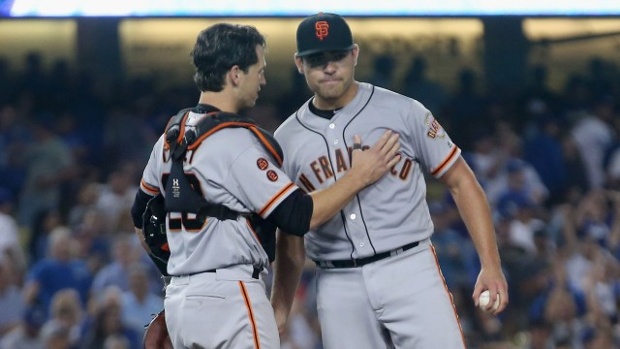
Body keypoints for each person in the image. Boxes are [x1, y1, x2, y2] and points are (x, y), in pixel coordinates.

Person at [129, 23, 401, 349]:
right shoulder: (234, 142)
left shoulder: (170, 137)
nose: (263, 80)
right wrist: (360, 176)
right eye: (259, 69)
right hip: (231, 297)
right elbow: (297, 215)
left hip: (180, 301)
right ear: (235, 74)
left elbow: (141, 219)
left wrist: (185, 278)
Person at [270, 12, 509, 349]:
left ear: (354, 54)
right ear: (299, 63)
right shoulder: (286, 139)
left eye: (336, 56)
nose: (329, 67)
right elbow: (290, 233)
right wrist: (281, 304)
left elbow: (461, 181)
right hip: (338, 281)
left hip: (409, 266)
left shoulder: (402, 111)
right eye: (316, 59)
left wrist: (491, 264)